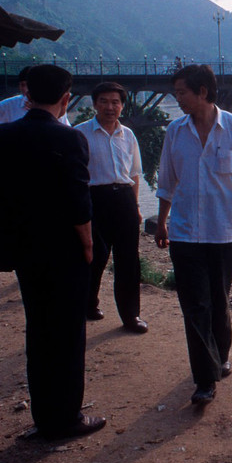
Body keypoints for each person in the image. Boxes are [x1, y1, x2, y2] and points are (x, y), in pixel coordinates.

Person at [0, 64, 105, 439]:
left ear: (26, 95)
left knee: (39, 330)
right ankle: (67, 417)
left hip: (23, 250)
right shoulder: (70, 139)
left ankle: (43, 416)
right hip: (64, 252)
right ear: (66, 99)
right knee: (67, 334)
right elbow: (80, 203)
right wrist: (88, 245)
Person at [154, 65, 232, 406]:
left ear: (202, 92)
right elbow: (167, 182)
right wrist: (162, 221)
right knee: (194, 305)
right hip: (185, 233)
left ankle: (221, 355)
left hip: (222, 232)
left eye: (182, 92)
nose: (178, 99)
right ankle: (204, 380)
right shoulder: (175, 131)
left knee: (218, 302)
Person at [75, 82, 147, 333]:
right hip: (94, 198)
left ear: (122, 106)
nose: (110, 107)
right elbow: (76, 176)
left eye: (115, 102)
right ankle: (88, 303)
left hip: (124, 198)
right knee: (93, 255)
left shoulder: (128, 135)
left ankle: (131, 316)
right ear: (94, 104)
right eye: (104, 101)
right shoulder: (80, 134)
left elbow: (135, 174)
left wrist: (136, 206)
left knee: (129, 260)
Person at [0, 66, 72, 134]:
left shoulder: (55, 105)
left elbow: (66, 128)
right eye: (23, 85)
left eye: (28, 85)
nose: (26, 89)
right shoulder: (9, 105)